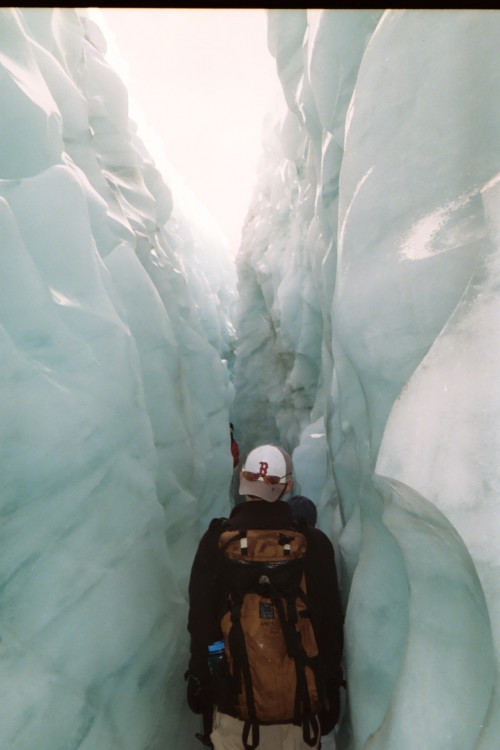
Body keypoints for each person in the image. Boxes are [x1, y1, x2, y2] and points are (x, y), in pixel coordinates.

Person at [186, 443, 344, 750]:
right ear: (287, 486)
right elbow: (328, 626)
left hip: (236, 715)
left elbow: (202, 624)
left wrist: (201, 682)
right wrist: (329, 692)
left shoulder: (216, 543)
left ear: (243, 481)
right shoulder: (313, 545)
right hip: (300, 715)